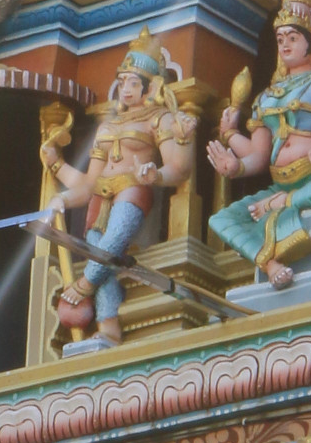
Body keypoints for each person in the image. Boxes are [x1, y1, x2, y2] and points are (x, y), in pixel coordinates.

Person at [208, 0, 311, 288]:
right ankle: (269, 263)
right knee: (219, 220)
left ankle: (285, 203)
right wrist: (234, 158)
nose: (285, 45)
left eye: (293, 38)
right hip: (277, 182)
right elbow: (259, 154)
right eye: (280, 39)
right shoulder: (266, 97)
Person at [46, 37, 201, 347]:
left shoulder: (160, 119)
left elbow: (178, 168)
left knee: (112, 241)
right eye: (122, 82)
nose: (126, 88)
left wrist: (156, 174)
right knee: (97, 248)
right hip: (101, 196)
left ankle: (85, 284)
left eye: (133, 82)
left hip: (134, 189)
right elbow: (89, 185)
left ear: (150, 86)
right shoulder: (108, 127)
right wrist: (58, 172)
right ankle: (109, 324)